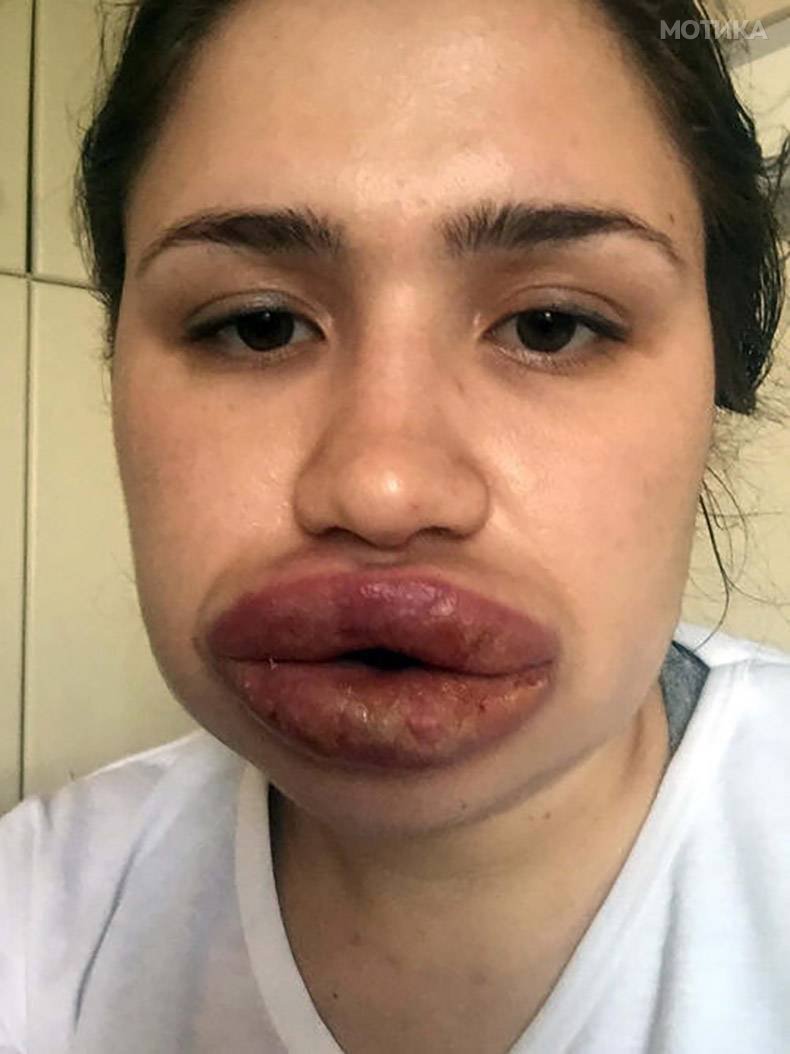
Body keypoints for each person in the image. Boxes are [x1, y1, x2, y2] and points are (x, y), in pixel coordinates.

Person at [1, 0, 789, 1050]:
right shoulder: (33, 927)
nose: (382, 490)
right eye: (258, 326)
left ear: (717, 388)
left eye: (550, 325)